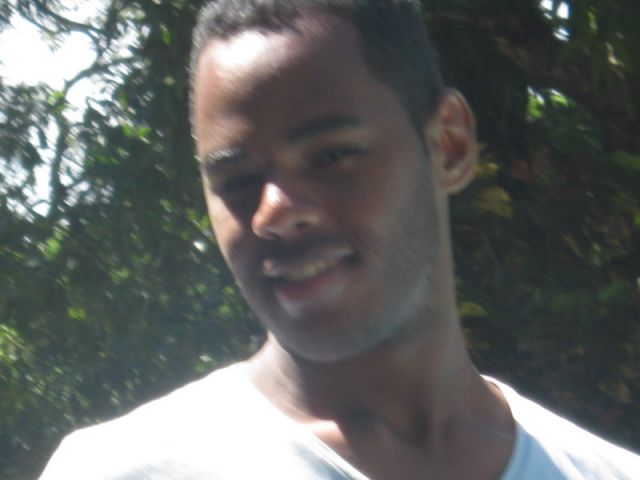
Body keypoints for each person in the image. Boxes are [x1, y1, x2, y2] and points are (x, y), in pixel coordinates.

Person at [40, 1, 640, 479]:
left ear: (449, 146)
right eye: (237, 181)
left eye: (332, 156)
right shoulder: (125, 469)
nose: (274, 213)